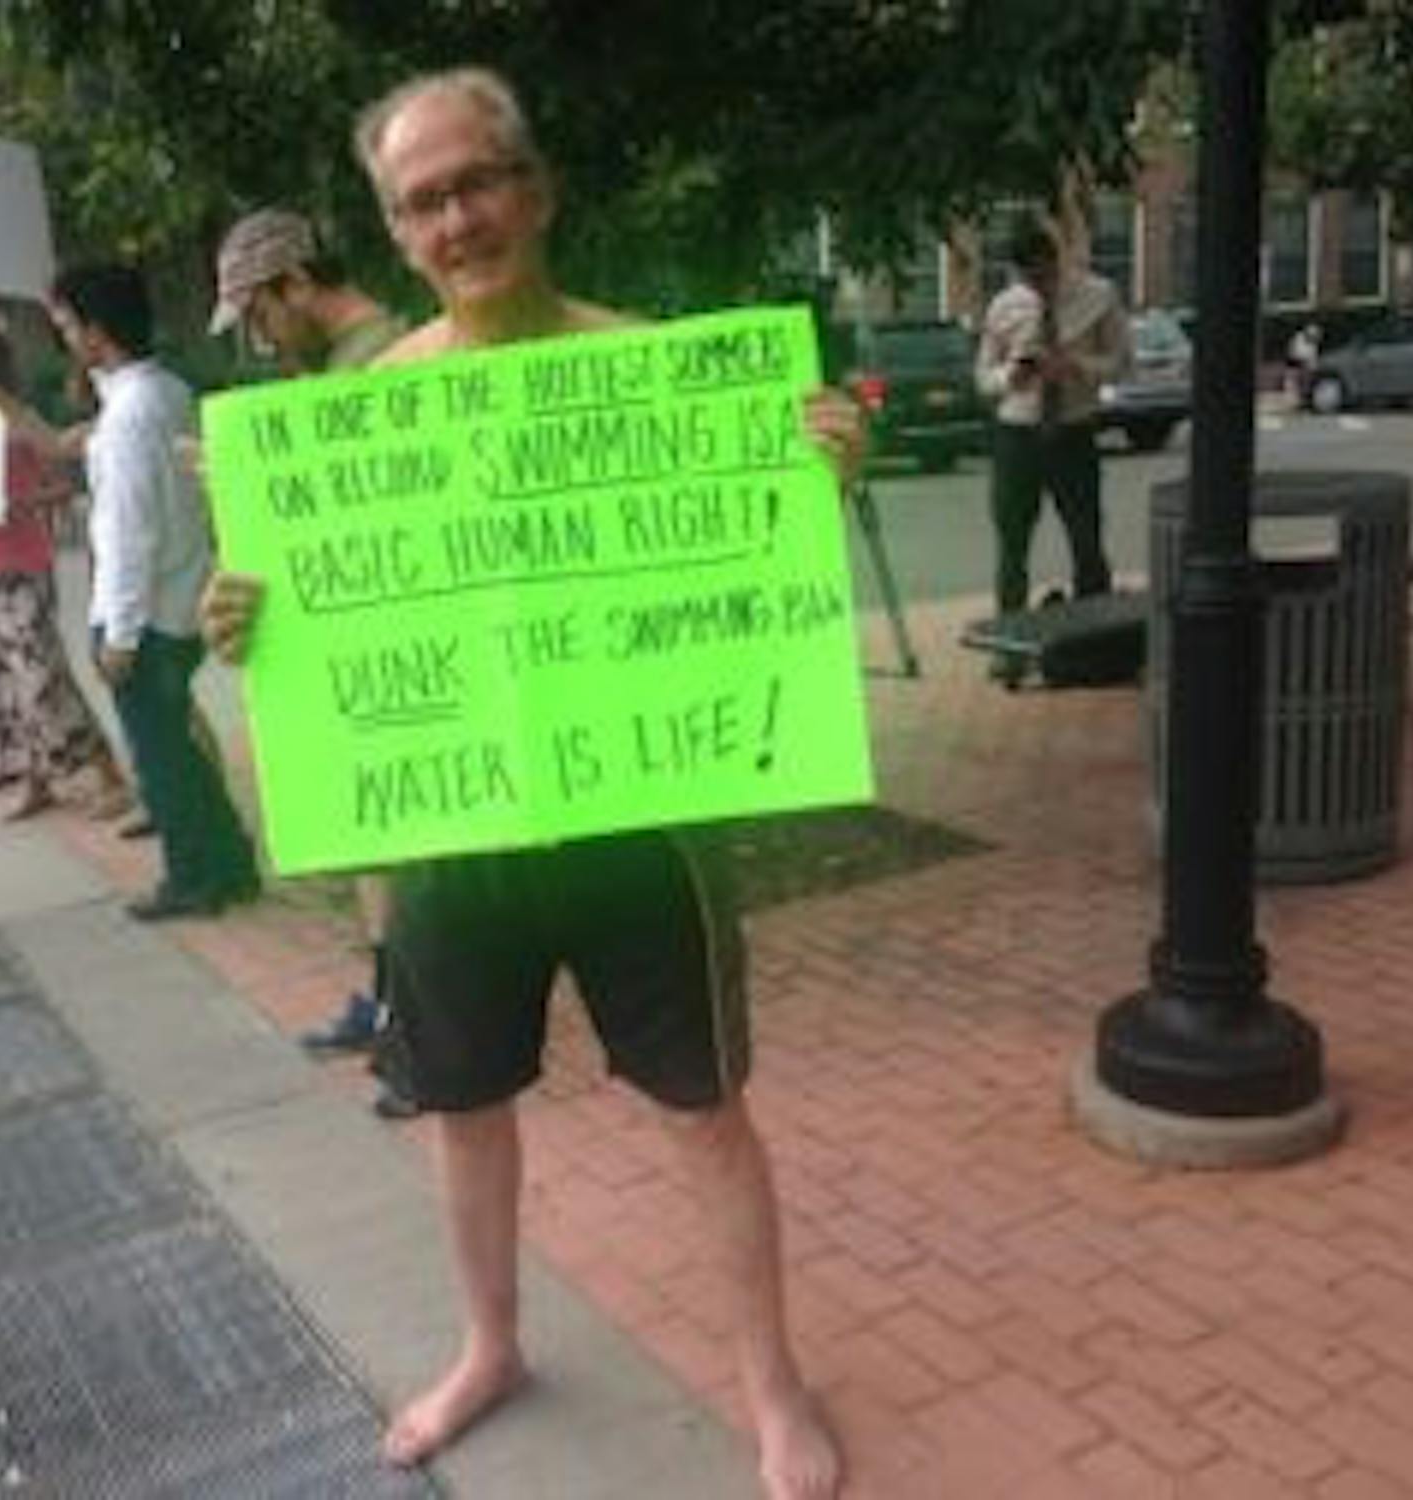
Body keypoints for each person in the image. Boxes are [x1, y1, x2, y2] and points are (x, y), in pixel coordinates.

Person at [202, 69, 860, 1500]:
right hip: (451, 841)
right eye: (421, 200)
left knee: (702, 1112)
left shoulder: (665, 375)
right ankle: (488, 1344)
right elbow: (313, 644)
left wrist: (821, 477)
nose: (458, 217)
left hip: (640, 830)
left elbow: (755, 575)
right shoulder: (360, 416)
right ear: (395, 233)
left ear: (538, 188)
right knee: (462, 1106)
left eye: (477, 181)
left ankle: (770, 1383)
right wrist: (245, 620)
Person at [206, 206, 416, 1118]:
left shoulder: (383, 363)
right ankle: (394, 1006)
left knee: (405, 851)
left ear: (295, 285)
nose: (257, 338)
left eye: (258, 313)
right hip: (357, 651)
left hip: (395, 657)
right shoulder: (343, 366)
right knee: (375, 844)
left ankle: (420, 1029)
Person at [47, 263, 259, 921]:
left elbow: (127, 533)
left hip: (149, 616)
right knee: (182, 755)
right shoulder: (165, 391)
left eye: (65, 325)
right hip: (181, 598)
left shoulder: (129, 416)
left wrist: (121, 634)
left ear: (96, 332)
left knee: (164, 764)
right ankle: (228, 865)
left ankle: (196, 878)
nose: (62, 338)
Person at [0, 327, 132, 824]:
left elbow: (61, 486)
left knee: (42, 676)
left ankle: (108, 772)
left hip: (22, 563)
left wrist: (16, 504)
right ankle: (37, 779)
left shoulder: (19, 422)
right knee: (6, 684)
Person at [975, 217, 1127, 686]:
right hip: (1018, 433)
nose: (1038, 285)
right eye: (1029, 277)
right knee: (1012, 544)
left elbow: (1122, 364)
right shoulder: (1005, 307)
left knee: (1086, 540)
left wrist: (1076, 366)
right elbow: (983, 375)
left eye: (1045, 274)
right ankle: (1010, 651)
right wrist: (1009, 378)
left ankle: (1096, 646)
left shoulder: (1098, 295)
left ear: (1057, 261)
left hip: (1073, 430)